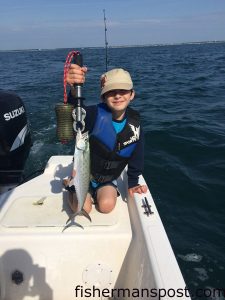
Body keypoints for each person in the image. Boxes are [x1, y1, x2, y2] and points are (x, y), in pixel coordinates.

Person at [64, 65, 147, 214]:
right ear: (103, 97)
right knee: (83, 208)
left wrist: (133, 182)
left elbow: (137, 155)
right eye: (111, 92)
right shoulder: (94, 115)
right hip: (85, 174)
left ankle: (93, 192)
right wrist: (73, 91)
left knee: (107, 206)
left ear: (132, 94)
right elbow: (75, 113)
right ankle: (71, 187)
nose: (117, 96)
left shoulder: (135, 124)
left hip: (108, 179)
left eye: (123, 91)